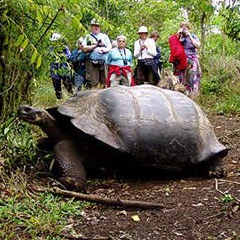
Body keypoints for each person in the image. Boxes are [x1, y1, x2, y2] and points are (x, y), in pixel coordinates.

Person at [169, 22, 201, 96]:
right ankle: (183, 92)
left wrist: (189, 36)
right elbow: (173, 45)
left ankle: (193, 93)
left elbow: (197, 45)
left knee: (192, 75)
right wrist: (178, 35)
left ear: (189, 29)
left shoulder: (193, 36)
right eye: (182, 27)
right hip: (181, 60)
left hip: (192, 58)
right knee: (182, 77)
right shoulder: (179, 37)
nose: (184, 29)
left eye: (186, 27)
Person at [82, 19, 112, 89]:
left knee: (104, 82)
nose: (96, 27)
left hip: (104, 62)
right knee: (93, 82)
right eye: (94, 26)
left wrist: (104, 50)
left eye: (98, 26)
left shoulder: (104, 36)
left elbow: (109, 46)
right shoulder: (88, 37)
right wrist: (95, 46)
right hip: (92, 63)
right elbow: (84, 48)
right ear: (91, 27)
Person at [49, 32, 73, 99]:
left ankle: (72, 98)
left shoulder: (64, 48)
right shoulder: (51, 48)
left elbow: (69, 56)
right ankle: (59, 99)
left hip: (64, 69)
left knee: (68, 85)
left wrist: (63, 56)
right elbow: (49, 57)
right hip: (54, 70)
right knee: (57, 86)